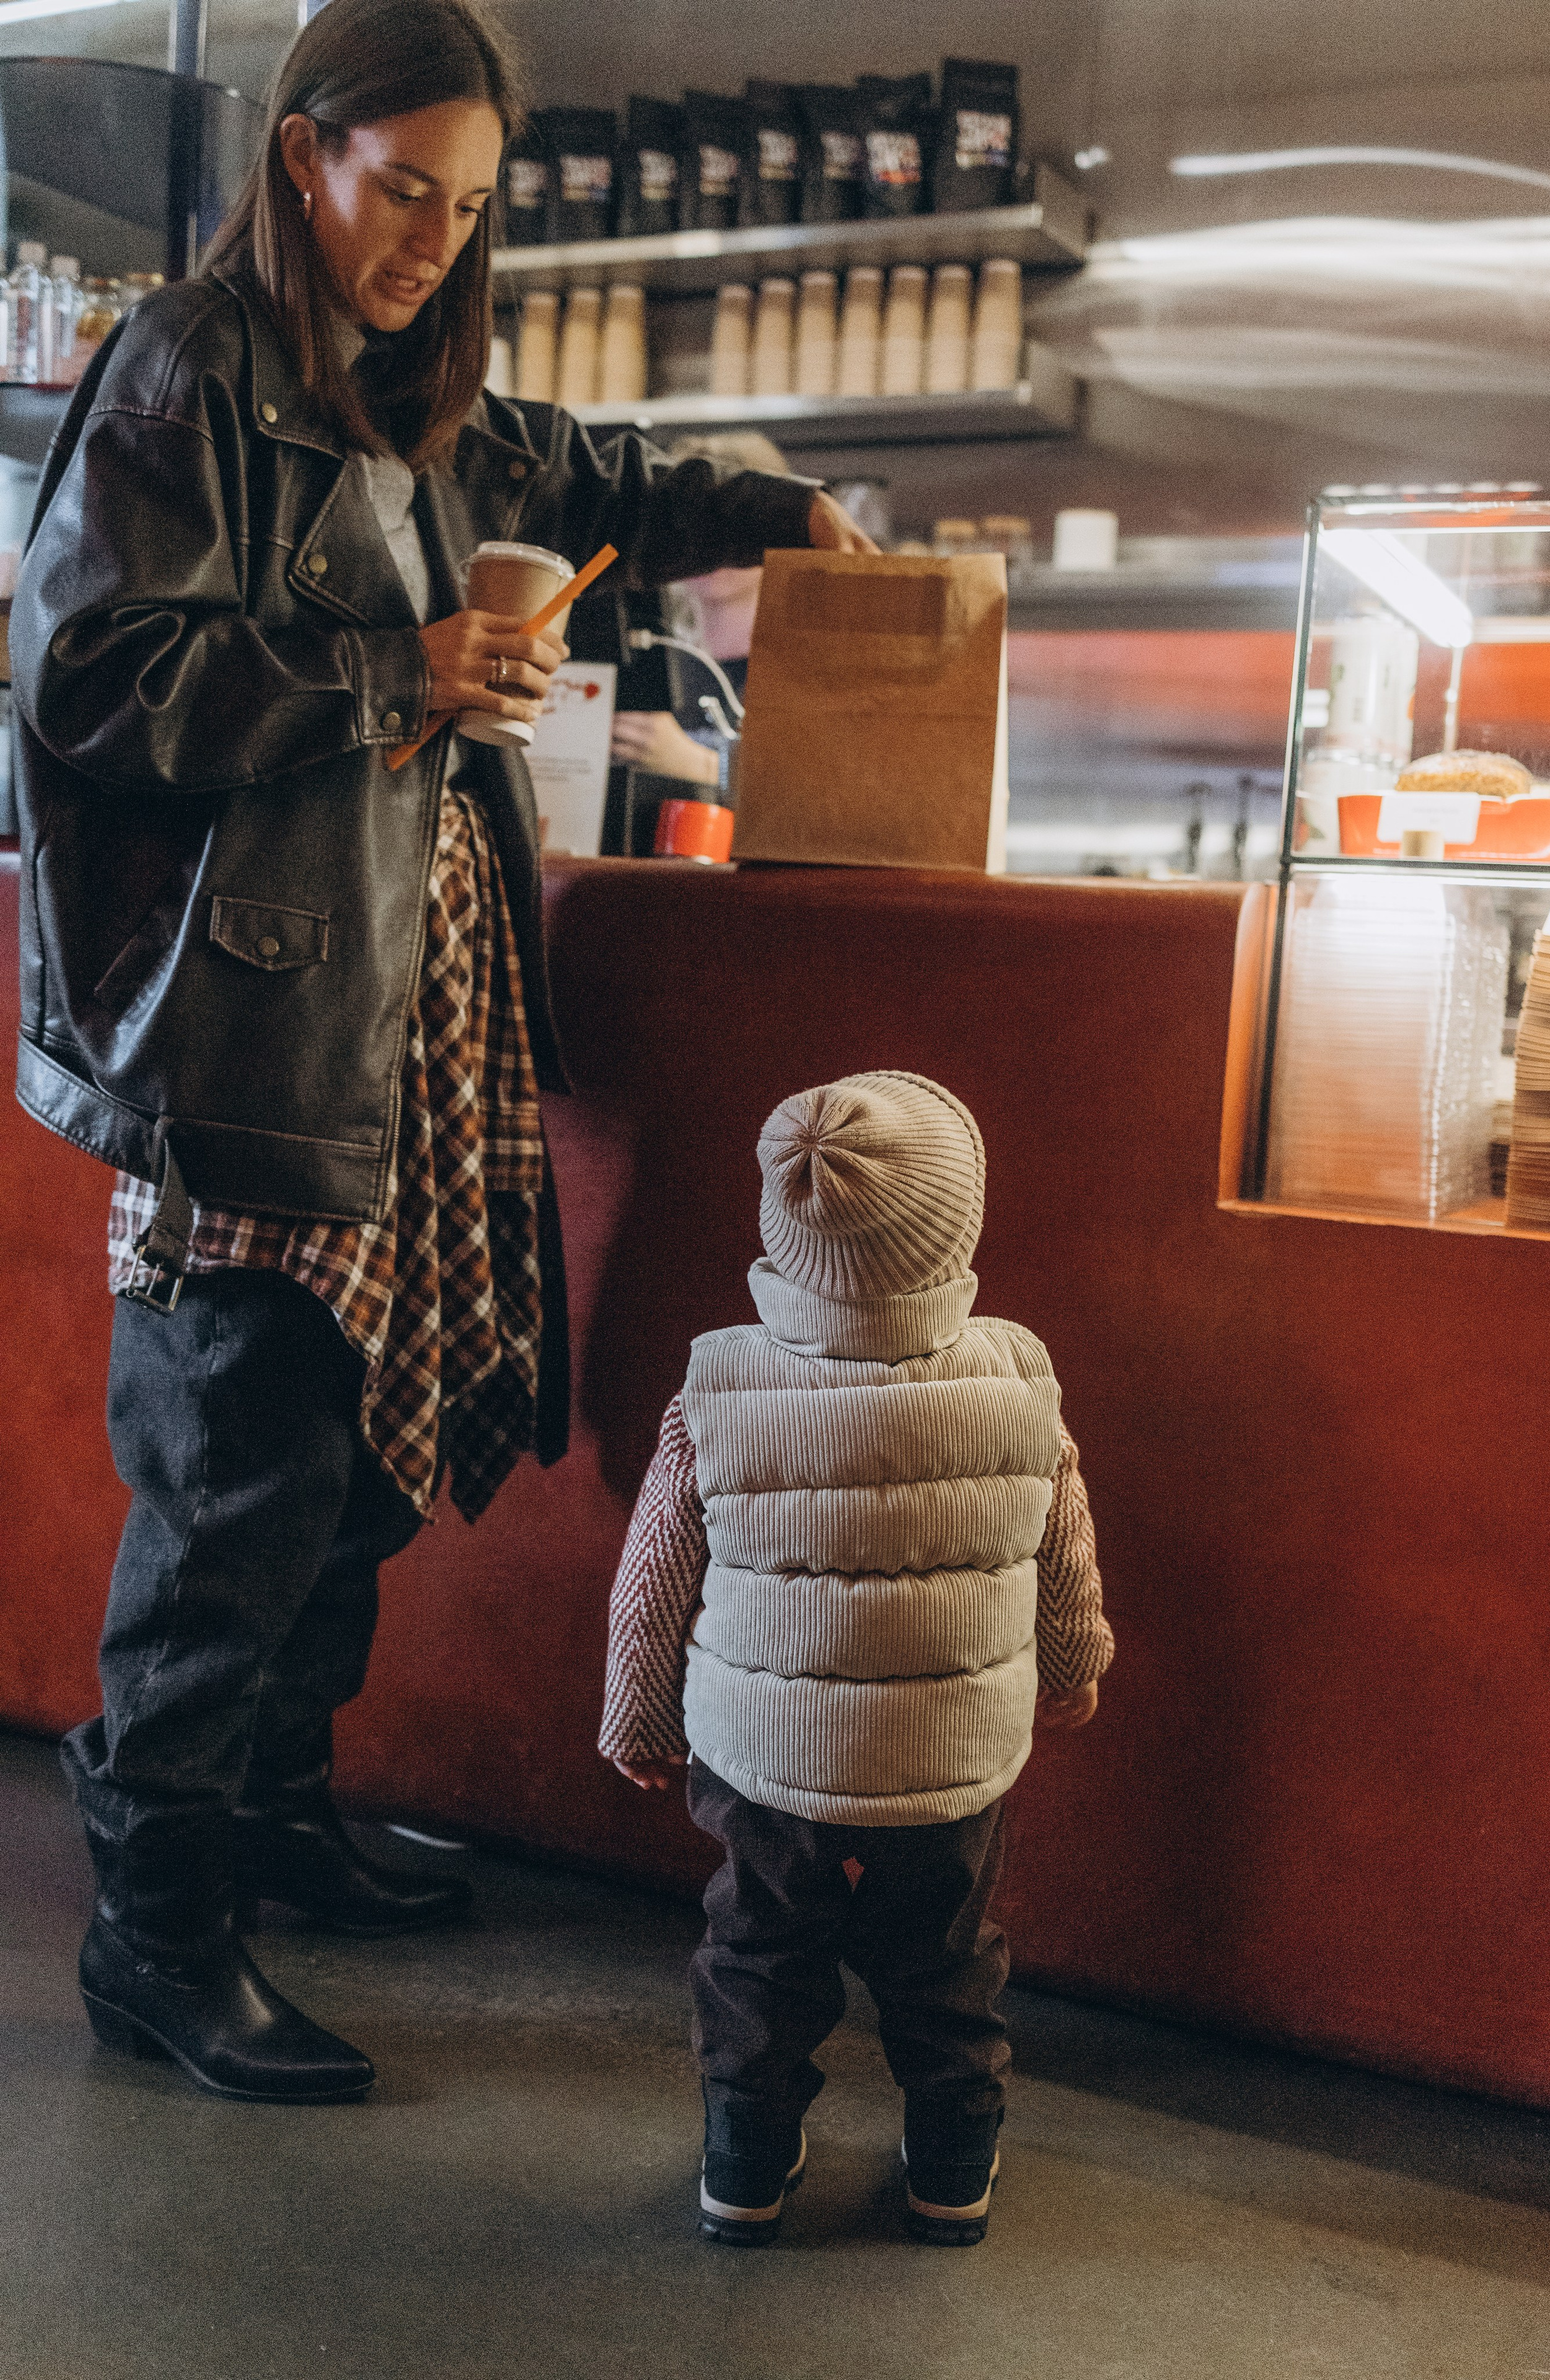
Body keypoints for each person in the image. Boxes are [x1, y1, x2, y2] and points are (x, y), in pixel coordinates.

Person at [10, 0, 875, 2107]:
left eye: (466, 207)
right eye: (402, 189)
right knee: (234, 1484)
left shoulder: (428, 403)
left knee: (349, 1478)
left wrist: (777, 511)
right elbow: (90, 681)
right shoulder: (186, 371)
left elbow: (605, 478)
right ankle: (157, 1935)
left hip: (407, 1014)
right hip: (254, 1020)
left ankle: (281, 1825)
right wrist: (390, 662)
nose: (428, 239)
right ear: (303, 156)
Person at [599, 1071, 1113, 2245]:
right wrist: (1074, 1662)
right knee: (947, 1962)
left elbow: (653, 1578)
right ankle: (949, 2167)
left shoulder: (719, 1379)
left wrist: (638, 1717)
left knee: (759, 1957)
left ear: (785, 1229)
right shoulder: (1016, 1372)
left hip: (762, 1761)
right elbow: (1064, 1546)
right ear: (956, 1225)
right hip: (954, 1761)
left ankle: (744, 2163)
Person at [608, 432, 788, 796]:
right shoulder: (645, 659)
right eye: (689, 530)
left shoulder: (799, 673)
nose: (709, 549)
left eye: (734, 530)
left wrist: (702, 766)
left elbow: (815, 800)